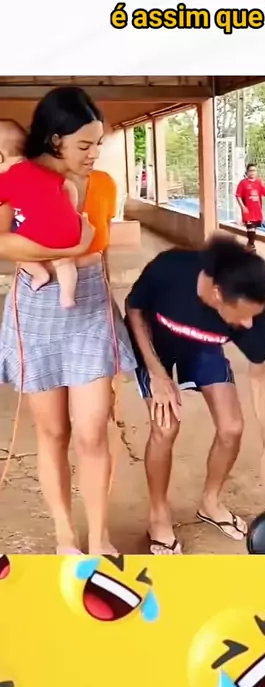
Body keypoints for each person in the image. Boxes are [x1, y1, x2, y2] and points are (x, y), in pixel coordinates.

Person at [0, 86, 137, 555]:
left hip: (90, 303)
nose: (94, 154)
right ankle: (64, 537)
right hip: (35, 306)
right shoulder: (19, 176)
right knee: (53, 432)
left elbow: (98, 248)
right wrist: (67, 248)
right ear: (55, 139)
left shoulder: (103, 185)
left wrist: (77, 257)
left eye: (98, 144)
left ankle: (99, 537)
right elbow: (2, 241)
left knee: (93, 430)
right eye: (85, 145)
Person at [124, 234, 265, 555]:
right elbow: (134, 308)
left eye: (254, 314)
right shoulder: (170, 269)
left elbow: (259, 380)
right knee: (166, 426)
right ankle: (158, 516)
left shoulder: (253, 311)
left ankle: (210, 503)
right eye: (241, 314)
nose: (248, 323)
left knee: (232, 428)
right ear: (216, 294)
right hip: (155, 344)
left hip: (202, 347)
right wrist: (156, 373)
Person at [0, 119, 81, 308]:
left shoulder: (8, 178)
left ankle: (40, 274)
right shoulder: (44, 170)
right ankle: (68, 296)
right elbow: (65, 186)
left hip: (34, 235)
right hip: (69, 231)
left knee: (19, 254)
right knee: (65, 262)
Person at [235, 163, 265, 251]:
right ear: (247, 172)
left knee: (253, 229)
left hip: (257, 211)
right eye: (250, 171)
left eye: (254, 170)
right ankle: (252, 246)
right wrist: (243, 207)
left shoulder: (259, 182)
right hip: (248, 210)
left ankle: (249, 244)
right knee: (250, 228)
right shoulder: (243, 183)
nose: (252, 172)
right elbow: (238, 196)